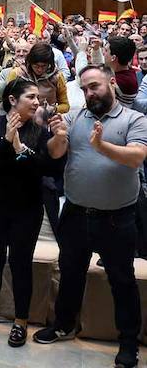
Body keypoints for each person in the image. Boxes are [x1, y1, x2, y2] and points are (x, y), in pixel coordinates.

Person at [34, 65, 147, 368]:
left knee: (121, 280)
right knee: (70, 272)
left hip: (116, 217)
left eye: (94, 86)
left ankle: (127, 343)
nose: (89, 93)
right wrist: (58, 135)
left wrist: (102, 146)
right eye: (84, 89)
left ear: (112, 82)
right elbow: (56, 153)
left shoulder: (133, 119)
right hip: (76, 212)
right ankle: (64, 324)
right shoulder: (75, 118)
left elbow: (137, 156)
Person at [0, 79, 64, 347]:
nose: (37, 102)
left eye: (38, 98)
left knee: (22, 264)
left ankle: (20, 321)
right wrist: (7, 141)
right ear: (12, 100)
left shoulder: (40, 132)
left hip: (27, 208)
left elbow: (48, 169)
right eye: (31, 97)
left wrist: (22, 151)